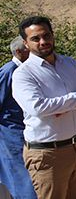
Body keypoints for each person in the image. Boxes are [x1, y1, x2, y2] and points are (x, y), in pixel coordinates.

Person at [12, 16, 76, 199]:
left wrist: (62, 105)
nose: (43, 42)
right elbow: (39, 107)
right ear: (25, 43)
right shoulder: (23, 74)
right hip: (47, 154)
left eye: (46, 36)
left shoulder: (70, 63)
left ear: (52, 36)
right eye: (35, 38)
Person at [0, 37, 37, 199]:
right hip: (11, 132)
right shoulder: (9, 71)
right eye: (28, 48)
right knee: (18, 171)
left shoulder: (27, 69)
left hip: (25, 128)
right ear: (19, 52)